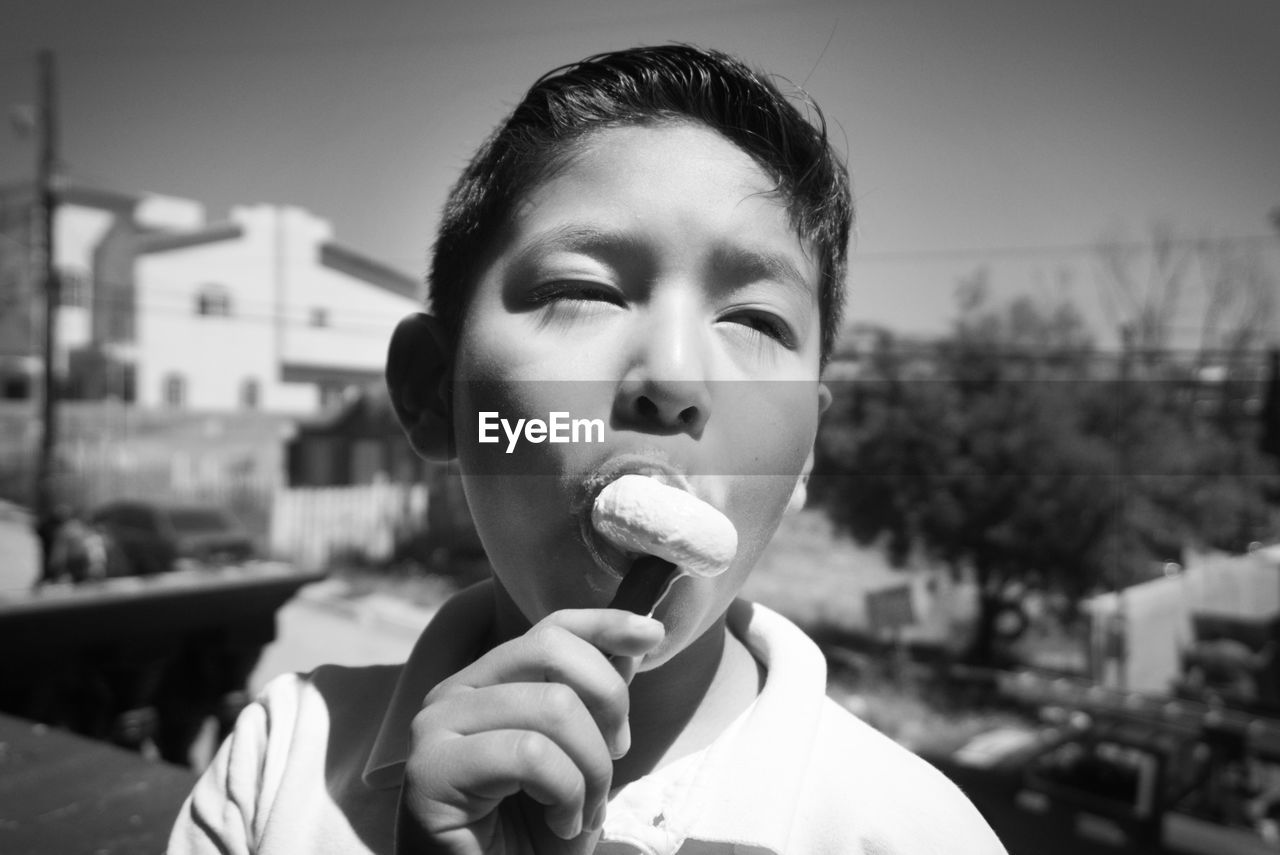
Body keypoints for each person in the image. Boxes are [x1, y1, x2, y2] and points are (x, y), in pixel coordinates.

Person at [168, 44, 1006, 854]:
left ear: (806, 452)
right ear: (434, 392)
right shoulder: (280, 767)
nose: (673, 377)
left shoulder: (916, 834)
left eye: (754, 321)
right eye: (582, 291)